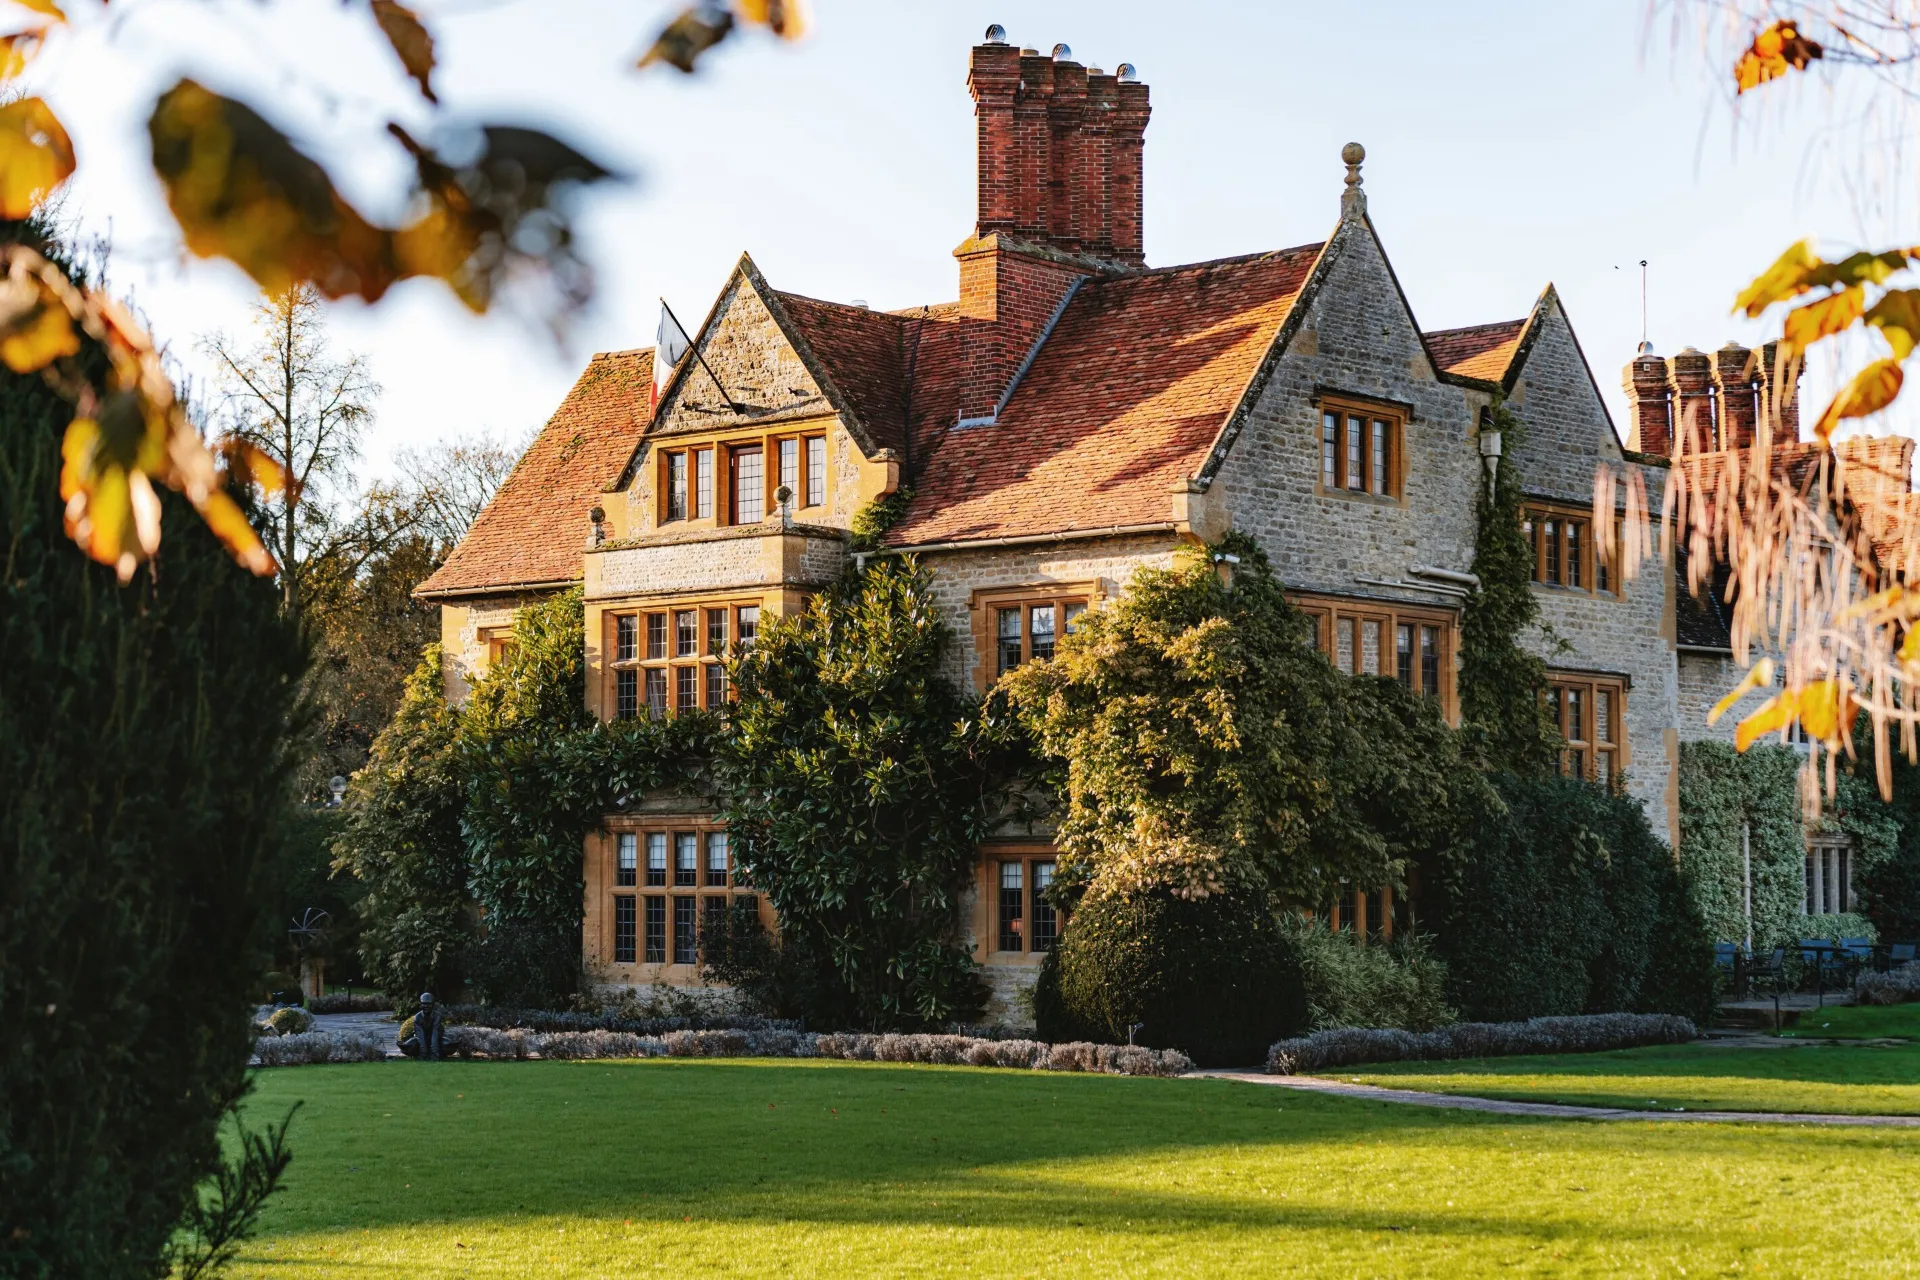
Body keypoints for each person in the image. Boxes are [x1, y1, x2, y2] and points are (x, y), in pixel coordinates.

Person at [400, 991, 444, 1061]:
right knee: (411, 1043)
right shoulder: (418, 1017)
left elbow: (435, 1033)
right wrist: (424, 1053)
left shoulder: (437, 1016)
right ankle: (421, 1054)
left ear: (432, 1004)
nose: (426, 1006)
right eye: (424, 1004)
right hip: (422, 1039)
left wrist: (434, 1055)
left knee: (445, 1042)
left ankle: (437, 1054)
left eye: (428, 1004)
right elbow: (420, 1035)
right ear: (421, 1005)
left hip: (436, 1039)